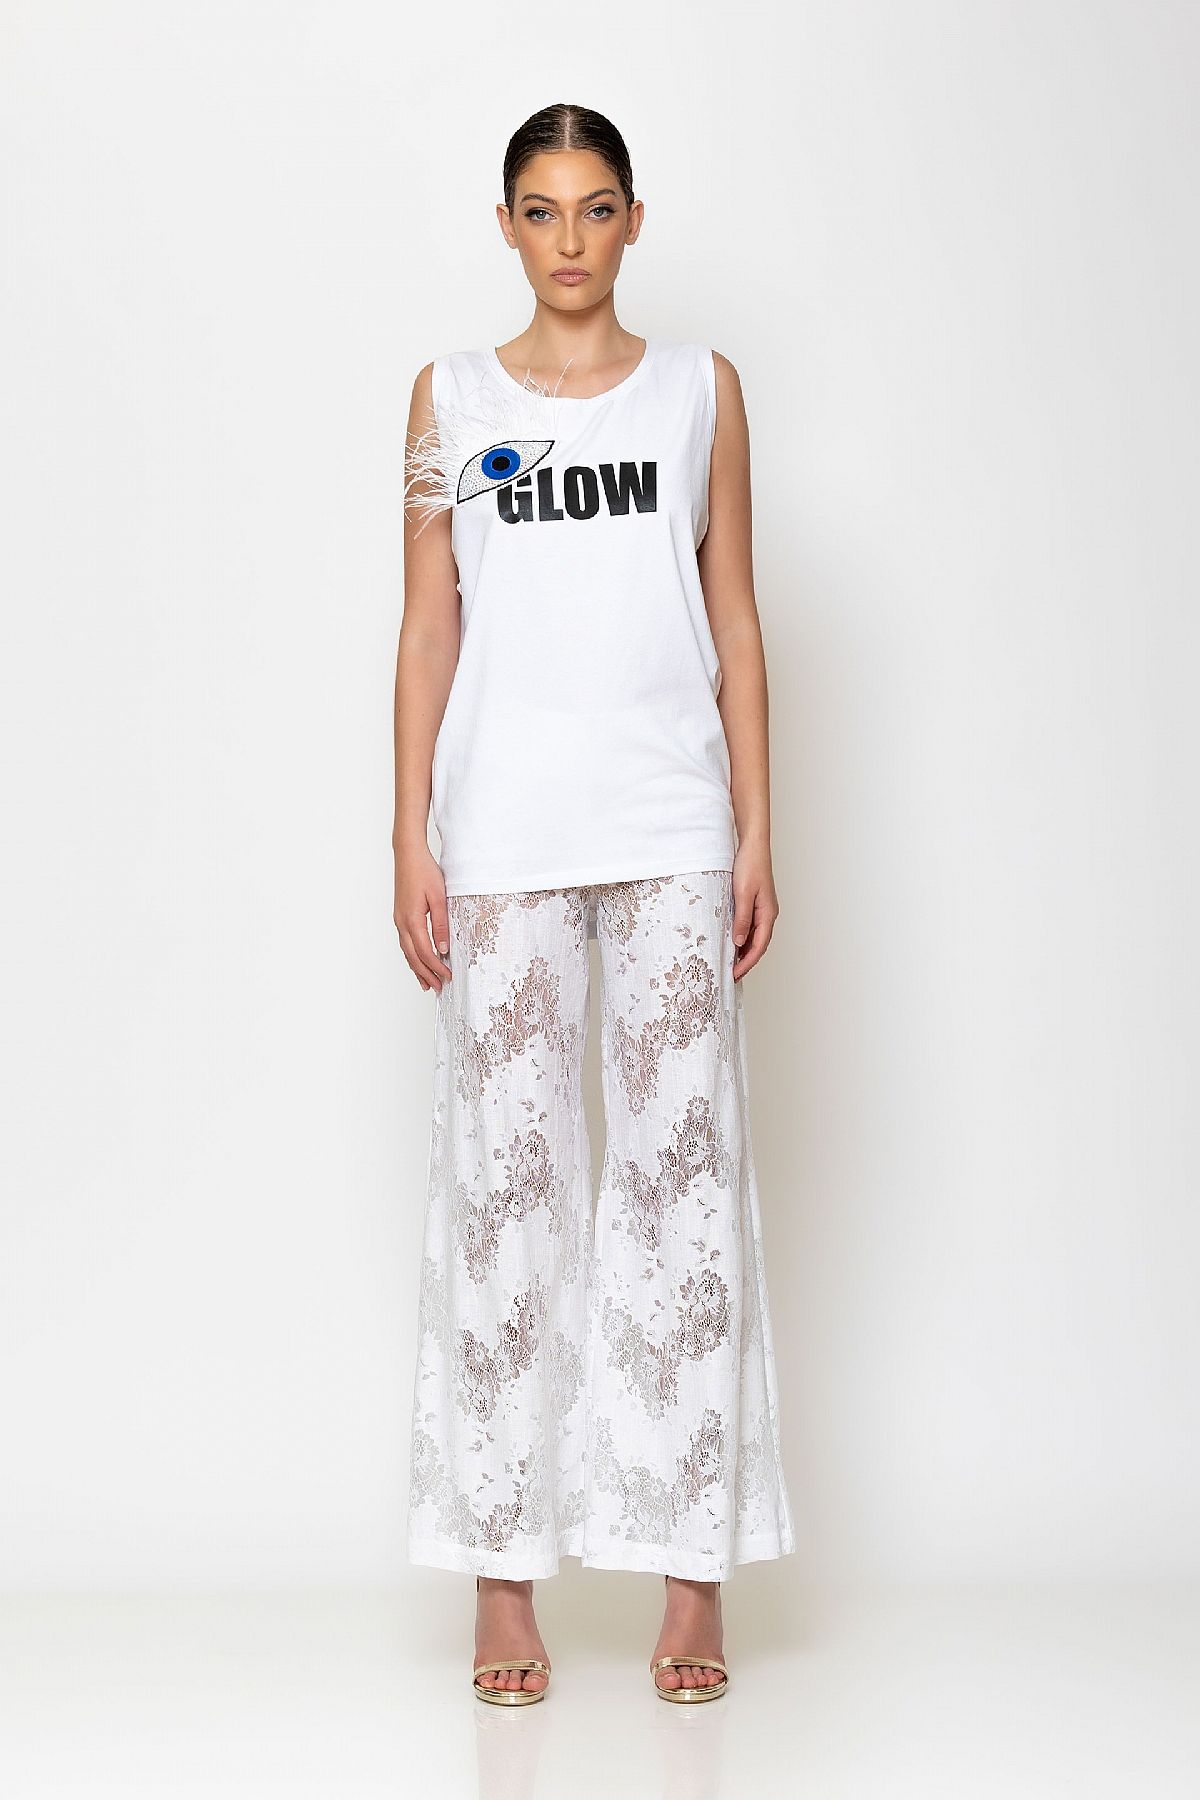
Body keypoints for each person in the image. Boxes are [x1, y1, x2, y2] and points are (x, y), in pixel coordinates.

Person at [394, 103, 795, 1706]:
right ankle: (503, 1580)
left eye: (597, 207)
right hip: (501, 834)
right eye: (543, 209)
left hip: (670, 828)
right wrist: (410, 832)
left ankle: (693, 1577)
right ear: (506, 224)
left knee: (681, 1194)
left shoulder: (704, 392)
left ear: (635, 219)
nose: (571, 238)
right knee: (506, 1199)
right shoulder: (448, 401)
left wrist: (757, 828)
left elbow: (735, 615)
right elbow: (427, 622)